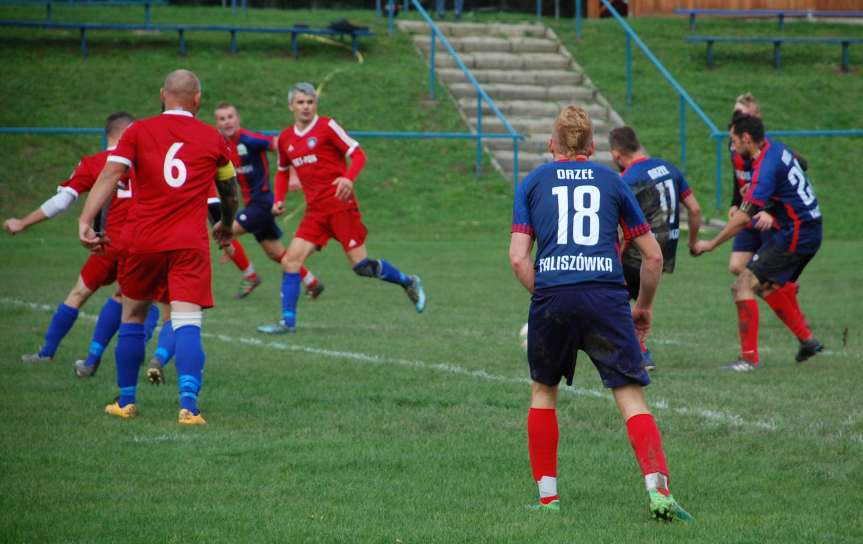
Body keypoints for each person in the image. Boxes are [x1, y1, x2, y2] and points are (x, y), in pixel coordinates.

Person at [509, 106, 693, 521]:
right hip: (607, 297)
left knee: (543, 393)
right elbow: (652, 256)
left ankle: (547, 500)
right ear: (593, 147)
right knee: (630, 397)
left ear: (552, 144)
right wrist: (642, 307)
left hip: (553, 295)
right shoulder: (612, 180)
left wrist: (549, 291)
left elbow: (519, 259)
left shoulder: (533, 182)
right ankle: (658, 489)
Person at [79, 69, 239, 424]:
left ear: (162, 94)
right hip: (188, 244)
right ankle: (188, 407)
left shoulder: (137, 131)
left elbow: (110, 174)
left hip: (143, 240)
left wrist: (86, 220)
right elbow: (229, 191)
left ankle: (126, 402)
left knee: (133, 316)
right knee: (186, 322)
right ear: (197, 99)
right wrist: (226, 225)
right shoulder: (213, 137)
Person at [257, 82, 426, 334]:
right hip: (315, 212)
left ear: (316, 104)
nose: (306, 107)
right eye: (301, 102)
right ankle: (287, 323)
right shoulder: (286, 139)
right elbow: (282, 172)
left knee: (361, 267)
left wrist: (348, 178)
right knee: (291, 261)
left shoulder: (327, 126)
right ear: (291, 105)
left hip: (340, 207)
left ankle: (408, 281)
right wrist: (279, 199)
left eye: (310, 102)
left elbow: (358, 155)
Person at [3, 112, 159, 373]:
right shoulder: (145, 162)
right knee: (139, 301)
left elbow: (62, 201)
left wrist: (23, 222)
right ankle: (131, 353)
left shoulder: (95, 163)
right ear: (128, 132)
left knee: (78, 294)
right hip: (140, 244)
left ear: (107, 134)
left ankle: (47, 353)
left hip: (105, 244)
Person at [692, 114, 823, 370]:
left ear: (746, 139)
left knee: (742, 286)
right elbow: (801, 163)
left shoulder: (764, 166)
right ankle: (807, 340)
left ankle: (748, 359)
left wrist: (711, 244)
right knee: (763, 286)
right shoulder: (775, 147)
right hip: (805, 228)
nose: (732, 145)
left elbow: (743, 219)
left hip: (798, 233)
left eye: (733, 140)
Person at [725, 93, 809, 369]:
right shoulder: (734, 144)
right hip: (748, 212)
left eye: (742, 114)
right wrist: (735, 203)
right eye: (735, 114)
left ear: (754, 119)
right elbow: (736, 180)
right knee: (739, 268)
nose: (736, 120)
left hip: (765, 216)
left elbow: (796, 169)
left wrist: (769, 209)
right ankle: (800, 328)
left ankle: (797, 330)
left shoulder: (769, 150)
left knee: (753, 281)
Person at [609, 126, 702, 371]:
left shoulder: (628, 180)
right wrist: (692, 242)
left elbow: (618, 226)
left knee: (611, 299)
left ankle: (641, 353)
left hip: (638, 253)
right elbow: (694, 209)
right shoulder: (669, 168)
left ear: (617, 155)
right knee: (619, 300)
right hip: (666, 250)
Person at [213, 102, 325, 300]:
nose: (227, 122)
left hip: (263, 202)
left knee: (224, 231)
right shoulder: (222, 146)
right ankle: (312, 283)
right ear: (217, 123)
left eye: (230, 117)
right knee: (277, 254)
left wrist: (292, 174)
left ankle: (250, 276)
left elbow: (282, 146)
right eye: (222, 119)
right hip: (253, 205)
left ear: (238, 118)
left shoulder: (250, 139)